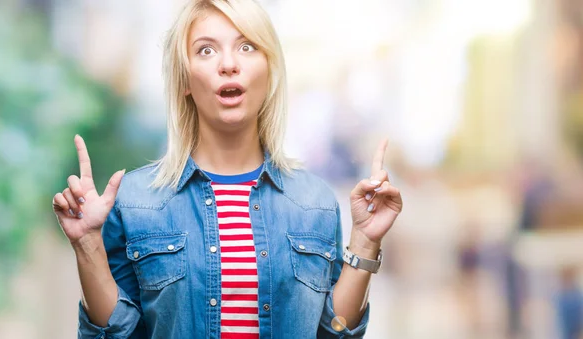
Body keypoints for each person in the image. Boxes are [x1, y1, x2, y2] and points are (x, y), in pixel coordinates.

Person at [52, 0, 403, 338]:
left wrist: (366, 241)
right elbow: (117, 335)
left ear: (269, 72)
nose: (228, 64)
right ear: (185, 80)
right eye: (206, 50)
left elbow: (334, 334)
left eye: (247, 47)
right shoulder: (134, 201)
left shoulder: (315, 202)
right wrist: (87, 246)